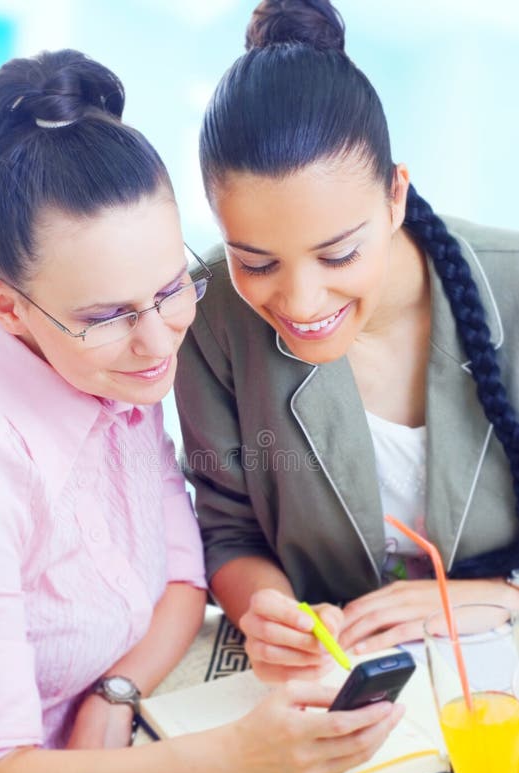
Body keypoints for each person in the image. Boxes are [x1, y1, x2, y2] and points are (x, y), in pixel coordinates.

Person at [0, 49, 404, 773]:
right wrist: (235, 753)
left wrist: (112, 696)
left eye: (173, 286)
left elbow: (181, 576)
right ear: (3, 307)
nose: (159, 342)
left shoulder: (110, 357)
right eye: (107, 316)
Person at [174, 0, 519, 684]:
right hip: (332, 682)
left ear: (394, 196)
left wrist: (506, 598)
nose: (300, 304)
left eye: (337, 255)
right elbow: (228, 534)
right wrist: (268, 610)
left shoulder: (509, 284)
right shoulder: (207, 316)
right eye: (257, 262)